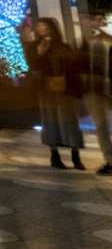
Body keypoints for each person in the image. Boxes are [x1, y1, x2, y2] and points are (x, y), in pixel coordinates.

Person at [23, 17, 84, 170]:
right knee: (50, 122)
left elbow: (72, 66)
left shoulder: (62, 46)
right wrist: (40, 53)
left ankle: (75, 156)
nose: (40, 28)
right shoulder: (34, 46)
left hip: (65, 90)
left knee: (70, 122)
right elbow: (32, 65)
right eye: (39, 26)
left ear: (51, 28)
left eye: (44, 26)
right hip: (46, 89)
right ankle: (54, 155)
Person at [81, 13, 112, 175]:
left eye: (100, 20)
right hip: (94, 91)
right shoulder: (89, 43)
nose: (97, 23)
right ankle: (109, 160)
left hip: (107, 89)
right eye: (95, 20)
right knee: (101, 128)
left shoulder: (108, 39)